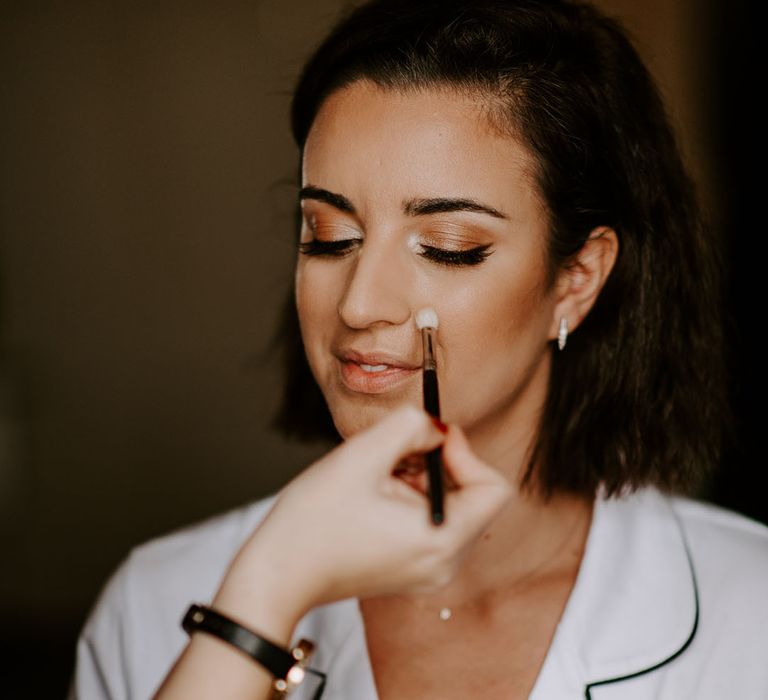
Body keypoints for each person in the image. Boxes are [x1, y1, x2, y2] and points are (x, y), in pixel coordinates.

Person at [70, 1, 768, 698]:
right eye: (328, 236)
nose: (359, 303)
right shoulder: (154, 604)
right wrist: (266, 589)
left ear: (576, 278)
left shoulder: (749, 608)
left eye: (448, 248)